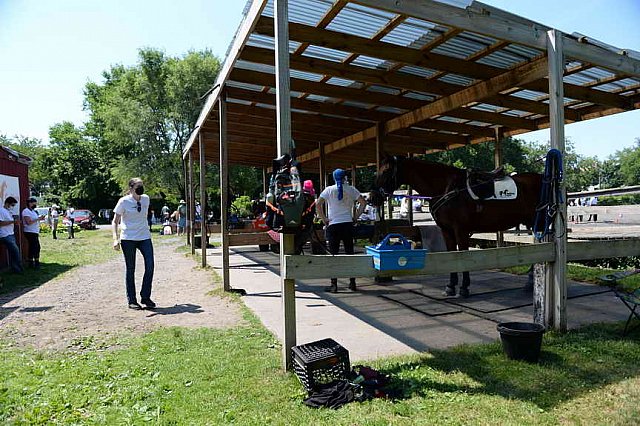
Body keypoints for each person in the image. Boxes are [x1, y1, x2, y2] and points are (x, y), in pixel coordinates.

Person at [317, 169, 367, 293]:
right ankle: (352, 282)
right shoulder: (351, 189)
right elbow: (363, 203)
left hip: (333, 225)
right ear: (345, 177)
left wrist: (324, 219)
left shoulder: (328, 190)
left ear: (334, 178)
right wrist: (355, 217)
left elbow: (318, 204)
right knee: (350, 253)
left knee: (333, 255)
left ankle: (334, 284)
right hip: (347, 224)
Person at [112, 178, 156, 310]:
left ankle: (145, 296)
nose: (140, 189)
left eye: (142, 186)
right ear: (131, 188)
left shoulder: (146, 199)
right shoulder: (123, 202)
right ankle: (132, 300)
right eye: (138, 186)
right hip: (128, 238)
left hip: (144, 237)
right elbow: (115, 221)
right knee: (130, 269)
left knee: (150, 265)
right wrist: (115, 238)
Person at [0, 197, 23, 273]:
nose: (12, 207)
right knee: (16, 252)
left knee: (13, 252)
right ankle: (18, 269)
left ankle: (14, 268)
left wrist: (15, 222)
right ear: (7, 203)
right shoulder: (1, 211)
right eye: (12, 205)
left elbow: (10, 221)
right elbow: (1, 223)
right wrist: (13, 222)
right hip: (5, 235)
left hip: (10, 234)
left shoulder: (8, 211)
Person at [21, 197, 45, 269]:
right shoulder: (26, 211)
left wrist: (40, 218)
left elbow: (34, 220)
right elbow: (28, 222)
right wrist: (38, 219)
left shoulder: (33, 211)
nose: (35, 204)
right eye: (34, 203)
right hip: (29, 231)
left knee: (32, 247)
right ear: (30, 203)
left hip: (34, 231)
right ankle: (36, 263)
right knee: (36, 247)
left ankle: (31, 263)